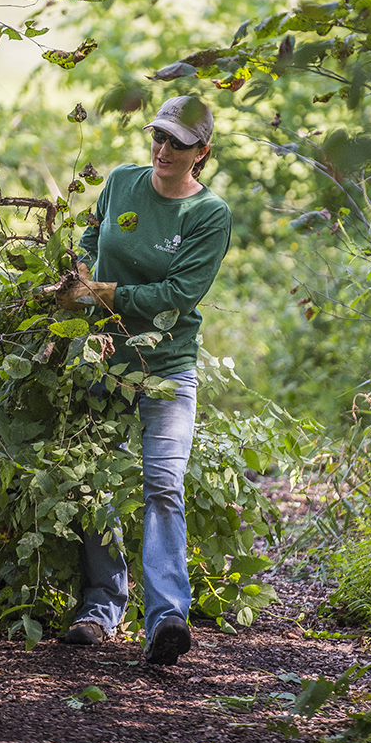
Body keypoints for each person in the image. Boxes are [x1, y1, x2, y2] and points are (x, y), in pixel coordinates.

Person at [56, 95, 232, 666]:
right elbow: (89, 239)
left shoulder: (207, 215)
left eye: (178, 143)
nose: (163, 149)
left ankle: (166, 618)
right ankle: (102, 608)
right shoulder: (122, 182)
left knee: (161, 484)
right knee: (92, 480)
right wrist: (79, 273)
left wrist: (110, 295)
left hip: (166, 366)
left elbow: (178, 298)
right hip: (102, 355)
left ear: (200, 152)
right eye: (158, 136)